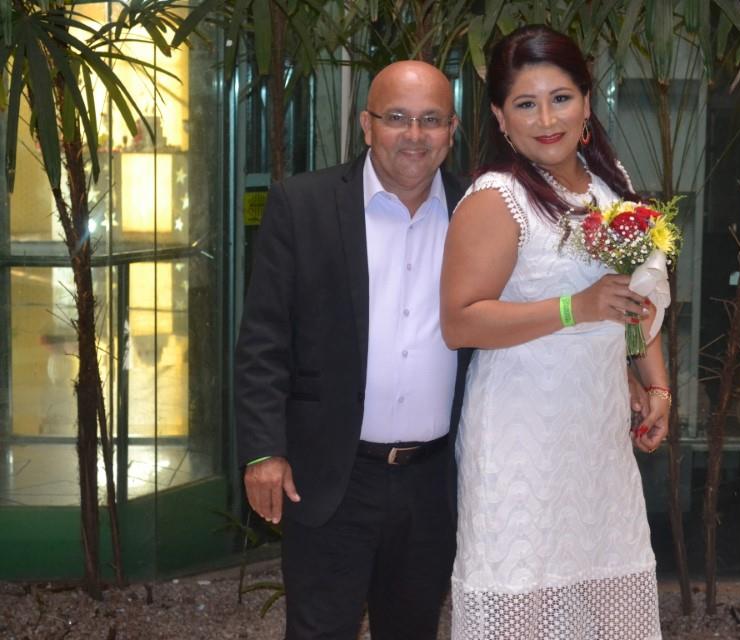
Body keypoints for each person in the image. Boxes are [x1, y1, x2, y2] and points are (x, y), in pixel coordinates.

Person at [440, 25, 669, 639]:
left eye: (561, 98)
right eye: (526, 103)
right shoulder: (497, 198)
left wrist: (655, 385)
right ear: (500, 117)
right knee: (525, 604)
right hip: (521, 437)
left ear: (587, 102)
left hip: (596, 434)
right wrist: (575, 308)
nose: (547, 119)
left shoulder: (609, 185)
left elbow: (637, 301)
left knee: (605, 604)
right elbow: (459, 322)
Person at [235, 60, 471, 640]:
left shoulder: (478, 210)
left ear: (452, 129)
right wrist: (263, 451)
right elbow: (264, 339)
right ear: (366, 125)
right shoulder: (304, 204)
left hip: (435, 482)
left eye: (430, 120)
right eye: (396, 118)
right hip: (329, 475)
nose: (414, 135)